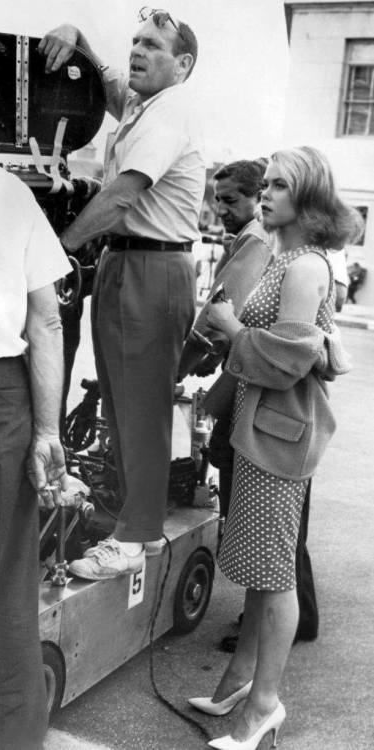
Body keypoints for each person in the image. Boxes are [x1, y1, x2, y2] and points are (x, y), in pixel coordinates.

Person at [188, 146, 362, 750]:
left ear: (308, 199)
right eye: (267, 184)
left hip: (278, 436)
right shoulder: (286, 256)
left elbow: (286, 362)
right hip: (263, 428)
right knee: (263, 571)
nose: (267, 194)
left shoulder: (305, 266)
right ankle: (240, 680)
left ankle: (263, 708)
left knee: (275, 574)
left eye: (281, 186)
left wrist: (233, 328)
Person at [39, 8, 205, 580]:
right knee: (120, 402)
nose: (137, 50)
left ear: (182, 64)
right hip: (126, 262)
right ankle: (132, 520)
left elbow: (123, 196)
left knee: (141, 407)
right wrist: (73, 34)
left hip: (153, 268)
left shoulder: (169, 111)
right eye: (135, 40)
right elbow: (108, 77)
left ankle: (137, 536)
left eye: (153, 45)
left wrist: (56, 247)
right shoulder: (143, 104)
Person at [0, 166, 70, 750]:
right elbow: (45, 319)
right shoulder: (9, 190)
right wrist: (47, 430)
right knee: (8, 577)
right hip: (4, 395)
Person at [177, 158, 272, 384]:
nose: (220, 210)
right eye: (218, 200)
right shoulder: (251, 233)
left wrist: (176, 371)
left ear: (260, 198)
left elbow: (222, 304)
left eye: (230, 201)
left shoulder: (256, 235)